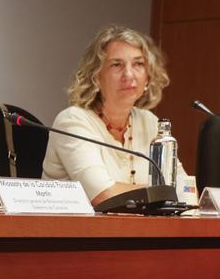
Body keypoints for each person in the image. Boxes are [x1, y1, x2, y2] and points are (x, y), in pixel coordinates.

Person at [41, 23, 186, 205]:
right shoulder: (72, 122)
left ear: (148, 76)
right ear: (96, 76)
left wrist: (171, 193)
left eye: (138, 64)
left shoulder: (149, 122)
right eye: (117, 65)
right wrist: (163, 193)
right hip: (75, 231)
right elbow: (104, 195)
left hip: (135, 231)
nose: (129, 74)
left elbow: (185, 189)